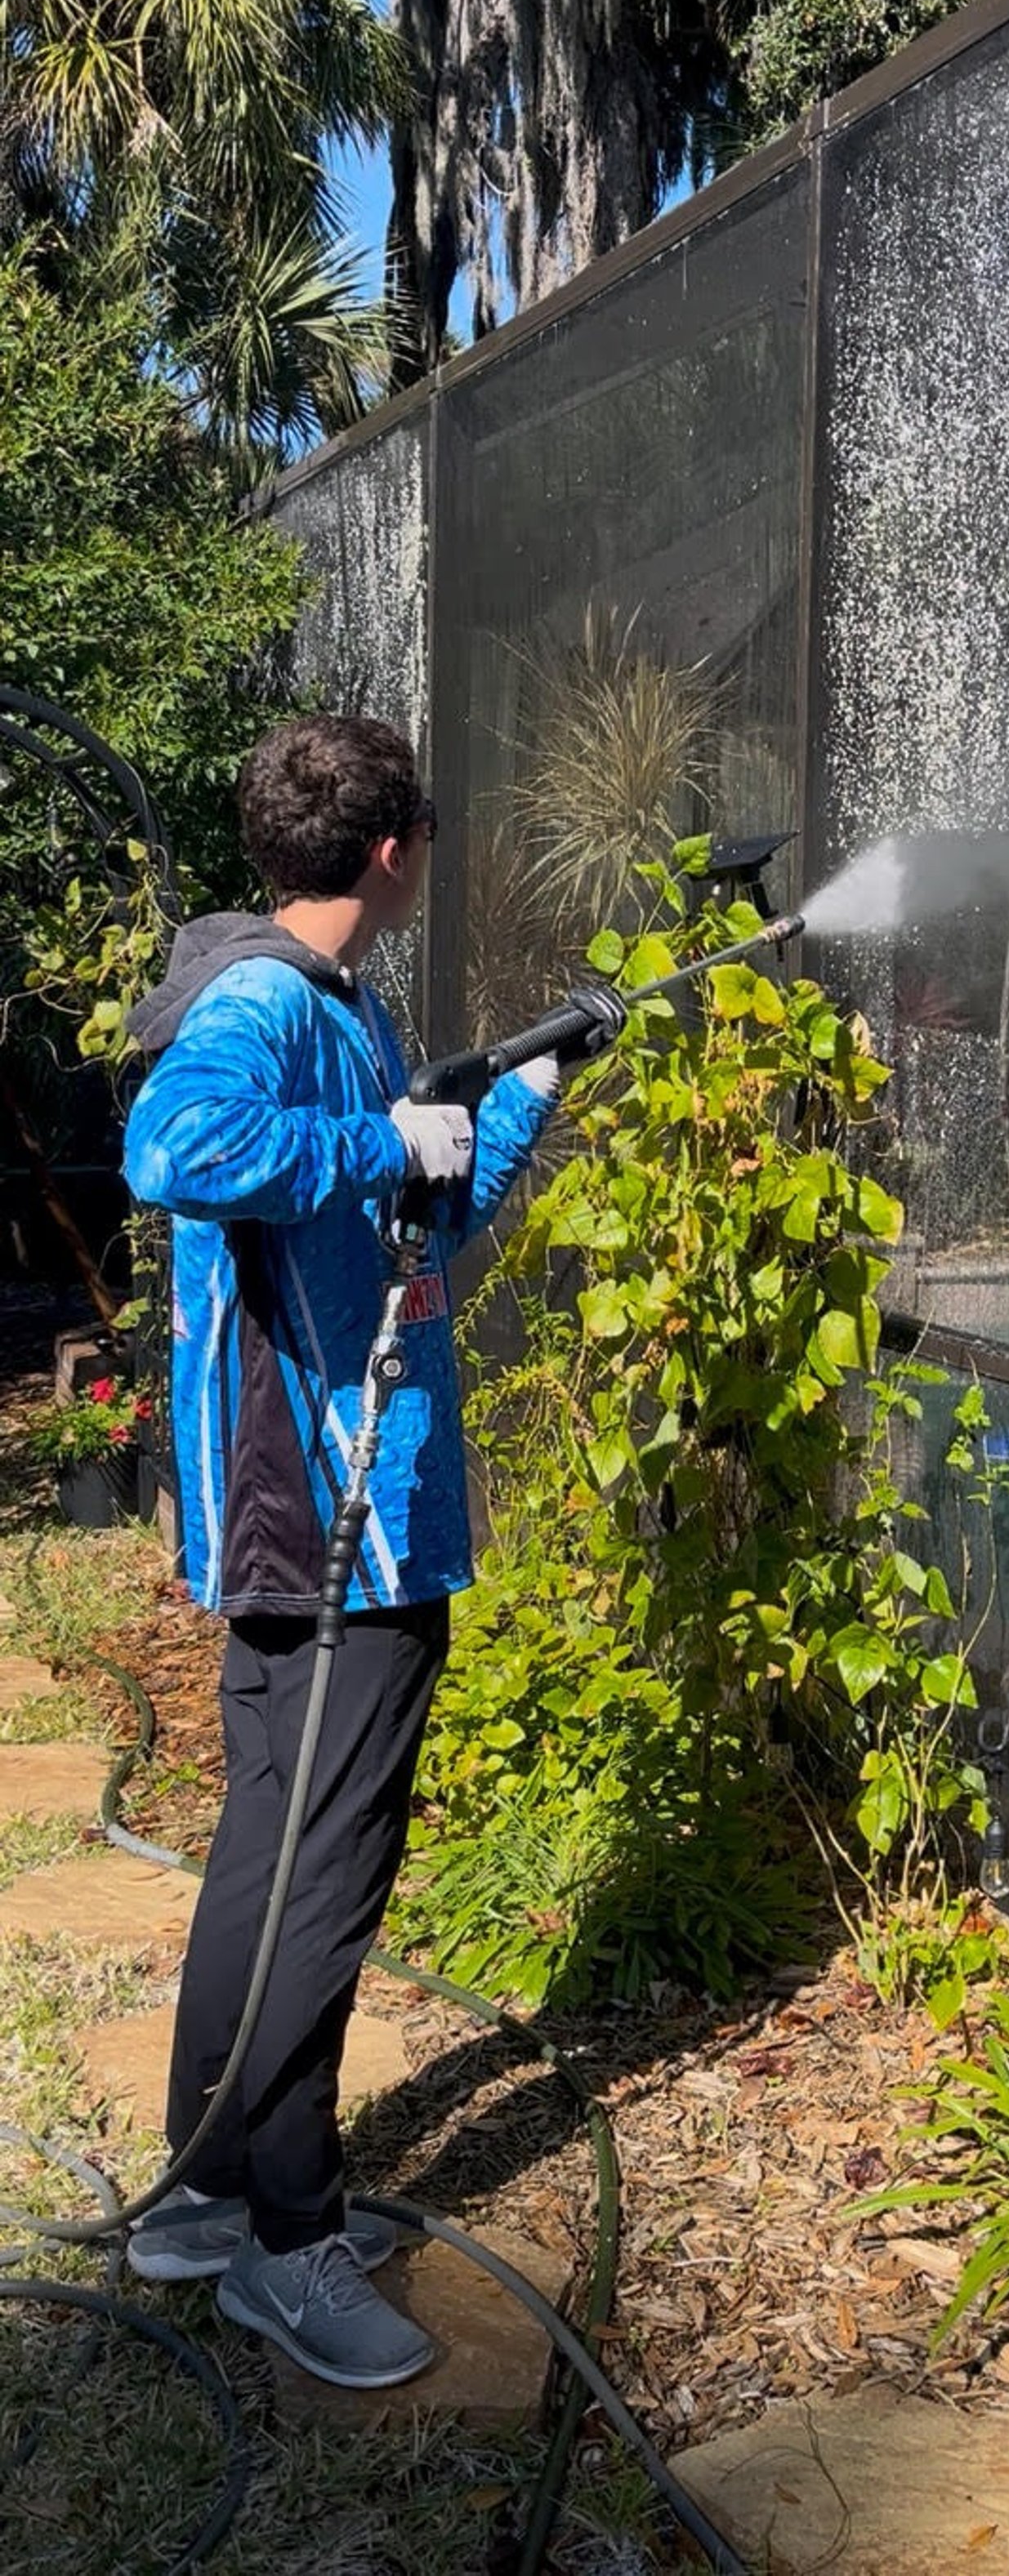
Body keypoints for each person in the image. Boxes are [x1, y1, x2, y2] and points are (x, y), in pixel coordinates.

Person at [119, 711, 605, 2390]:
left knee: (271, 1840)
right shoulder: (262, 1000)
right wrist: (384, 1132)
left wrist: (514, 1097)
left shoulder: (335, 1001)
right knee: (325, 1869)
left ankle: (199, 2190)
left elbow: (409, 1233)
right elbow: (174, 1150)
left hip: (333, 1496)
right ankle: (284, 2239)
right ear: (389, 849)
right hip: (325, 1512)